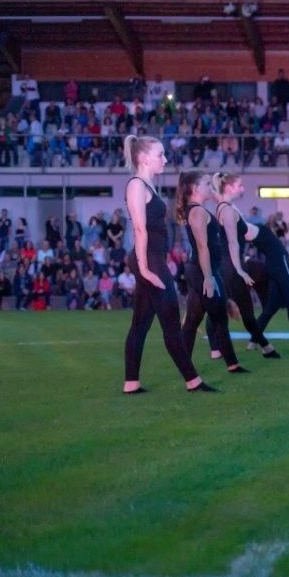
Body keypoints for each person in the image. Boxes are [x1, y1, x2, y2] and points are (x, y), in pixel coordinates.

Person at [120, 136, 212, 394]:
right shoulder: (137, 185)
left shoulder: (147, 185)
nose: (165, 159)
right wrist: (146, 267)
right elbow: (139, 229)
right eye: (160, 154)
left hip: (153, 259)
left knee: (140, 323)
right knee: (171, 320)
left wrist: (160, 261)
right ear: (143, 157)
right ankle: (193, 381)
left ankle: (131, 383)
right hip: (147, 260)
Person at [177, 171, 249, 374]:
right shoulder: (197, 212)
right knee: (218, 318)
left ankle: (186, 364)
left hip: (202, 269)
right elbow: (202, 247)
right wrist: (208, 277)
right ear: (195, 188)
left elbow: (220, 198)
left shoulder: (198, 208)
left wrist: (218, 184)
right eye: (207, 184)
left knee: (192, 321)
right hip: (202, 271)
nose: (211, 187)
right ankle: (232, 365)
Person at [215, 174, 281, 359]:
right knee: (246, 312)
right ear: (228, 187)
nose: (243, 189)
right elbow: (232, 243)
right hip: (230, 265)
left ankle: (265, 347)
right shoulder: (226, 210)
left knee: (222, 309)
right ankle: (266, 347)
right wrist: (239, 269)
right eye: (240, 186)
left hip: (228, 264)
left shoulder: (226, 206)